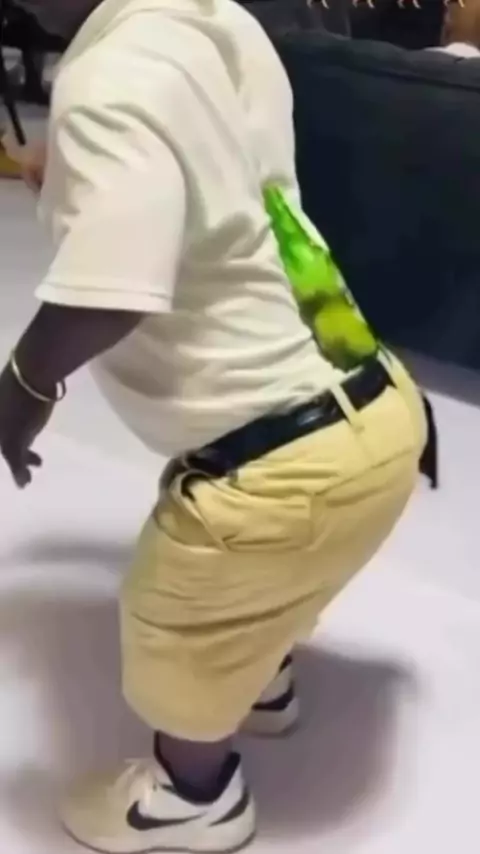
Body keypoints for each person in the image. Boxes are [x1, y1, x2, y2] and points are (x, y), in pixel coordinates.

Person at [0, 0, 427, 851]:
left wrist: (20, 390)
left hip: (283, 468)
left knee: (179, 611)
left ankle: (193, 796)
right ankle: (261, 679)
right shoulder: (219, 24)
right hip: (376, 402)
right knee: (262, 580)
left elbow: (111, 290)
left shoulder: (104, 80)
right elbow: (224, 176)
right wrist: (90, 178)